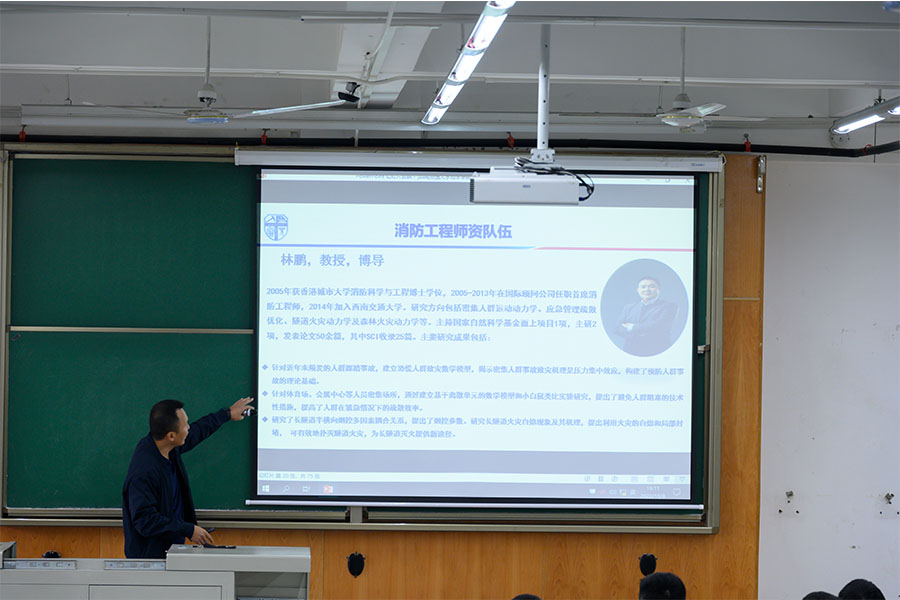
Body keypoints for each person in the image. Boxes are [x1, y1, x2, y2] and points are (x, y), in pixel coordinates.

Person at [122, 396, 254, 559]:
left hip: (171, 551)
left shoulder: (166, 447)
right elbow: (145, 521)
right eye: (185, 425)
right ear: (171, 435)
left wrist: (226, 414)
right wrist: (188, 529)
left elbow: (196, 432)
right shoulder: (144, 471)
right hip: (150, 559)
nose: (189, 428)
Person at [616, 276, 678, 356]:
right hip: (630, 352)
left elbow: (659, 326)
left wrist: (632, 328)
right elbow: (617, 328)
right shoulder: (628, 308)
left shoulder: (669, 306)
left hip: (657, 352)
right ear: (638, 290)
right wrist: (643, 330)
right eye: (643, 287)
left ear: (659, 289)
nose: (646, 289)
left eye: (651, 286)